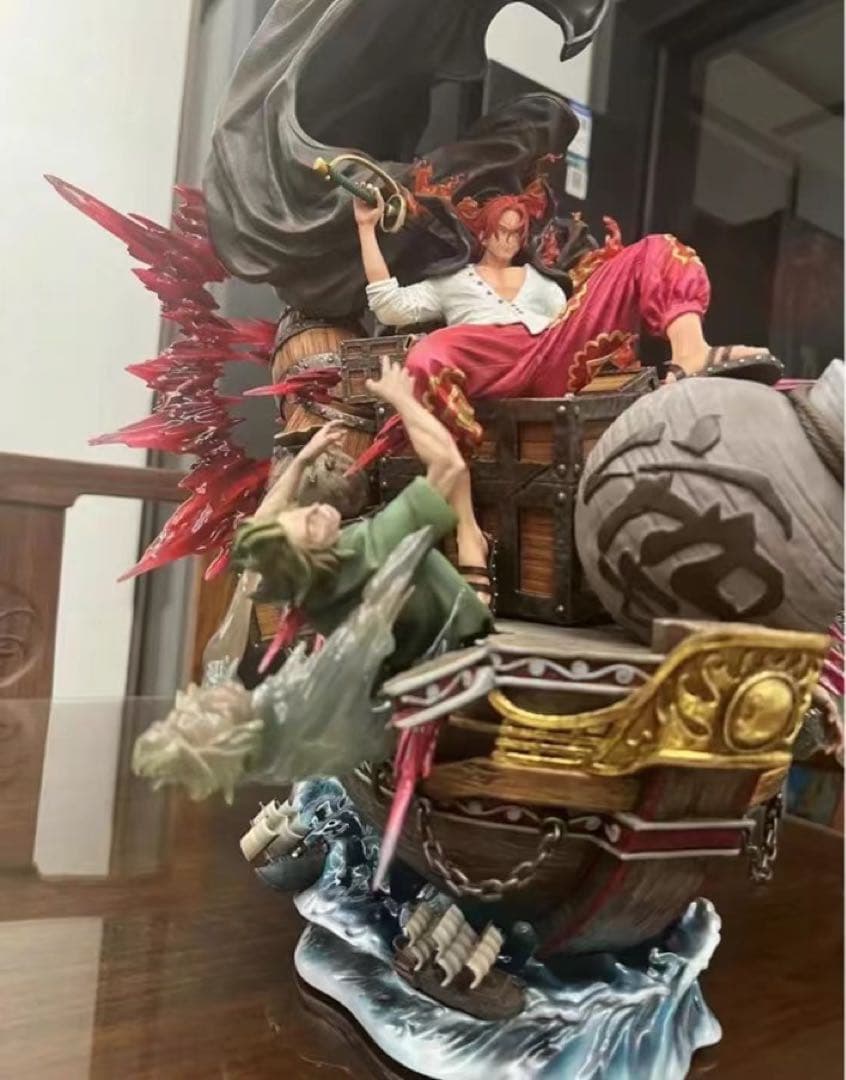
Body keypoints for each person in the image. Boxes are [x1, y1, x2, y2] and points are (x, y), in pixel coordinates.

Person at [231, 356, 495, 666]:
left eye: (301, 511)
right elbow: (449, 465)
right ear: (310, 557)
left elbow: (265, 521)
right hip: (459, 636)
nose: (316, 509)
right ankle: (473, 551)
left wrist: (302, 461)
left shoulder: (303, 584)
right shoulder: (372, 548)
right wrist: (404, 400)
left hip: (396, 657)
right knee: (457, 478)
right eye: (311, 526)